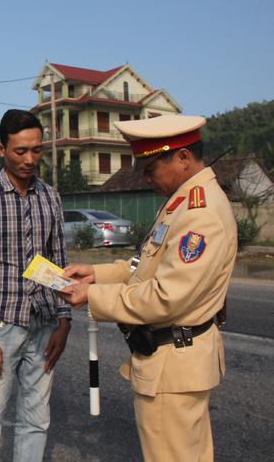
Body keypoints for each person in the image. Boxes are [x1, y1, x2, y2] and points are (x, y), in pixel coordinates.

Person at [60, 114, 236, 461]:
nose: (145, 177)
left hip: (173, 365)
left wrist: (92, 296)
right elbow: (144, 267)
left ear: (183, 158)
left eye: (151, 167)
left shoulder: (199, 213)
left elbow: (166, 296)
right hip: (175, 361)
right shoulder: (182, 202)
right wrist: (95, 274)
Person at [0, 109, 71, 461]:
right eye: (20, 151)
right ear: (1, 149)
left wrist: (64, 321)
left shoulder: (49, 196)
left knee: (36, 421)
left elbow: (58, 263)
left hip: (45, 324)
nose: (29, 159)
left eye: (36, 150)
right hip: (1, 327)